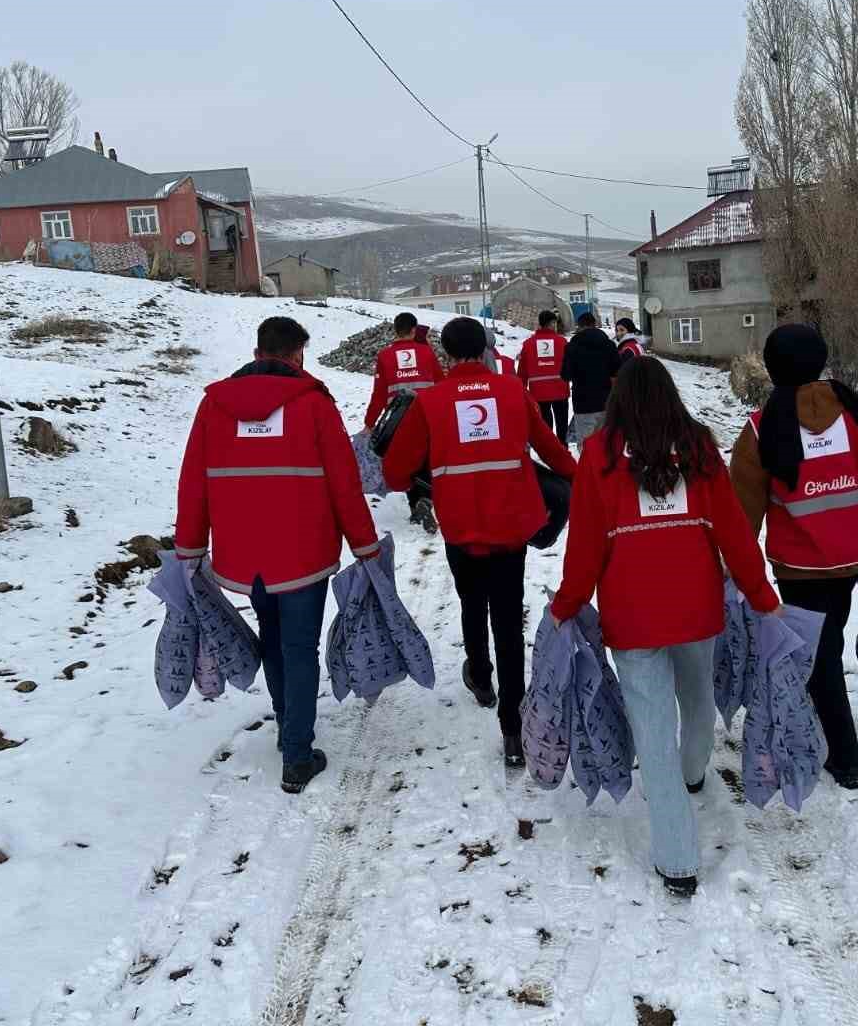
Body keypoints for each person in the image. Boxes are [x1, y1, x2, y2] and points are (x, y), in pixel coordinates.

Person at [550, 356, 779, 897]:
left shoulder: (599, 456)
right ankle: (694, 770)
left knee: (651, 730)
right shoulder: (699, 447)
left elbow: (584, 549)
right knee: (698, 694)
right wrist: (762, 596)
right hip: (697, 607)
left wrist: (567, 605)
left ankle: (677, 858)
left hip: (633, 617)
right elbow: (733, 533)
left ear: (617, 399)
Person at [176, 316, 381, 795]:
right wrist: (365, 545)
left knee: (273, 639)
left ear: (257, 351)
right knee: (299, 646)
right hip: (304, 550)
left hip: (244, 552)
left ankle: (290, 725)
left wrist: (189, 546)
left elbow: (193, 480)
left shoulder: (214, 405)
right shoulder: (313, 403)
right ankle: (297, 753)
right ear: (297, 354)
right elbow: (345, 484)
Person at [382, 316, 577, 767]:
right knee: (509, 622)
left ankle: (480, 677)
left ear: (446, 353)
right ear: (486, 349)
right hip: (510, 527)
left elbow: (394, 474)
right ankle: (513, 729)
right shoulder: (512, 392)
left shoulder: (430, 403)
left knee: (471, 602)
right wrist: (587, 484)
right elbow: (552, 451)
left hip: (462, 528)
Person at [728, 324, 858, 790]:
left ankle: (844, 758)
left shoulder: (760, 427)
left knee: (820, 654)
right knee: (825, 645)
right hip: (849, 560)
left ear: (771, 368)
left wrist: (733, 565)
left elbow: (741, 507)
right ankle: (825, 728)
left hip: (797, 567)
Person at [365, 312, 444, 531]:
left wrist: (370, 422)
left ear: (395, 330)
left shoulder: (385, 356)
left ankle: (415, 504)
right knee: (427, 459)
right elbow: (440, 384)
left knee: (408, 463)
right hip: (426, 417)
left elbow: (379, 394)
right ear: (413, 330)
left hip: (398, 422)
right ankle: (426, 498)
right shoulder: (426, 353)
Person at [560, 311, 618, 444]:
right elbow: (617, 374)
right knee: (606, 444)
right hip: (606, 403)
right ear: (595, 324)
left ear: (579, 327)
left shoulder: (572, 347)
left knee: (586, 446)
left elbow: (565, 375)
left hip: (583, 404)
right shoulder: (609, 345)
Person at [516, 310, 571, 442]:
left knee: (546, 426)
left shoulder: (528, 344)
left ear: (540, 324)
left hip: (538, 392)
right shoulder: (562, 342)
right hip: (560, 390)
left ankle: (550, 451)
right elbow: (569, 365)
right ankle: (563, 449)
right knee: (562, 424)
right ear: (552, 324)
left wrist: (521, 389)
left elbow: (522, 370)